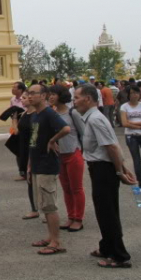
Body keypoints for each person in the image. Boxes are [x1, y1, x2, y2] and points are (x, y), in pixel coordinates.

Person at [74, 84, 136, 268]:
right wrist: (123, 168)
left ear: (88, 99)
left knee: (107, 211)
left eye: (77, 97)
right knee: (103, 210)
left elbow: (110, 146)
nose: (74, 101)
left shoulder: (96, 119)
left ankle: (119, 255)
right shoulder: (92, 117)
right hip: (99, 167)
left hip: (104, 169)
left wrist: (120, 171)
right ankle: (107, 246)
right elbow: (112, 145)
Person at [27, 83, 71, 255]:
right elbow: (33, 140)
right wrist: (30, 165)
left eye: (34, 93)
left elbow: (66, 128)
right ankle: (50, 236)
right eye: (28, 93)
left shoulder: (49, 114)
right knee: (43, 204)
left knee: (49, 204)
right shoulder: (35, 115)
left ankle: (56, 241)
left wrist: (52, 140)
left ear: (44, 96)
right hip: (38, 164)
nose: (30, 96)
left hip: (47, 164)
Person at [48, 85, 86, 232]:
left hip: (73, 152)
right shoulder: (52, 113)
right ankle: (70, 216)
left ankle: (78, 218)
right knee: (66, 188)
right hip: (59, 155)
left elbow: (84, 133)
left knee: (76, 188)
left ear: (61, 96)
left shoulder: (73, 113)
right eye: (49, 94)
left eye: (54, 94)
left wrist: (84, 152)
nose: (51, 97)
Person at [17, 92, 39, 220]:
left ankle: (42, 208)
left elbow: (35, 137)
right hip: (24, 150)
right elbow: (17, 132)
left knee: (37, 180)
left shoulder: (36, 115)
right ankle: (34, 208)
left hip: (33, 149)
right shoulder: (24, 114)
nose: (23, 100)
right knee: (29, 180)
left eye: (25, 98)